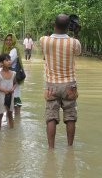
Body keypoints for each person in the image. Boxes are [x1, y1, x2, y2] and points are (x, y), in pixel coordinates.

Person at [40, 14, 81, 148]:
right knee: (70, 116)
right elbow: (78, 52)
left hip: (51, 85)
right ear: (68, 27)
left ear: (54, 25)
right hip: (69, 84)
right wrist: (76, 34)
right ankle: (70, 147)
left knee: (51, 116)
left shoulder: (44, 40)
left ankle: (51, 148)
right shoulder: (74, 42)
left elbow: (44, 48)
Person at [0, 33, 24, 114]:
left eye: (10, 40)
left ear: (13, 41)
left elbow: (6, 63)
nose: (8, 41)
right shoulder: (6, 50)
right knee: (9, 99)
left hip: (14, 77)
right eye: (7, 40)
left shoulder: (14, 50)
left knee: (16, 97)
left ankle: (17, 120)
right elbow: (4, 60)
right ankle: (12, 122)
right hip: (7, 77)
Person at [0, 54, 17, 129]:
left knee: (10, 114)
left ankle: (11, 131)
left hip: (10, 96)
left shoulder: (13, 73)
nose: (9, 61)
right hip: (1, 96)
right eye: (6, 60)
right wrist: (3, 90)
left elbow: (15, 83)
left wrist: (13, 89)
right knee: (0, 114)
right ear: (1, 63)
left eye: (9, 59)